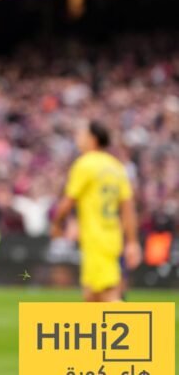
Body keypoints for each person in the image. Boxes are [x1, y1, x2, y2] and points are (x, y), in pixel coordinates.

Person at [51, 120, 142, 302]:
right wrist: (132, 242)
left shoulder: (85, 164)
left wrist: (57, 225)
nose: (78, 138)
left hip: (95, 238)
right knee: (91, 295)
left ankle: (136, 321)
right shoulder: (117, 167)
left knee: (108, 295)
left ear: (92, 139)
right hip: (112, 236)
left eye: (81, 134)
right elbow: (128, 208)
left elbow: (67, 202)